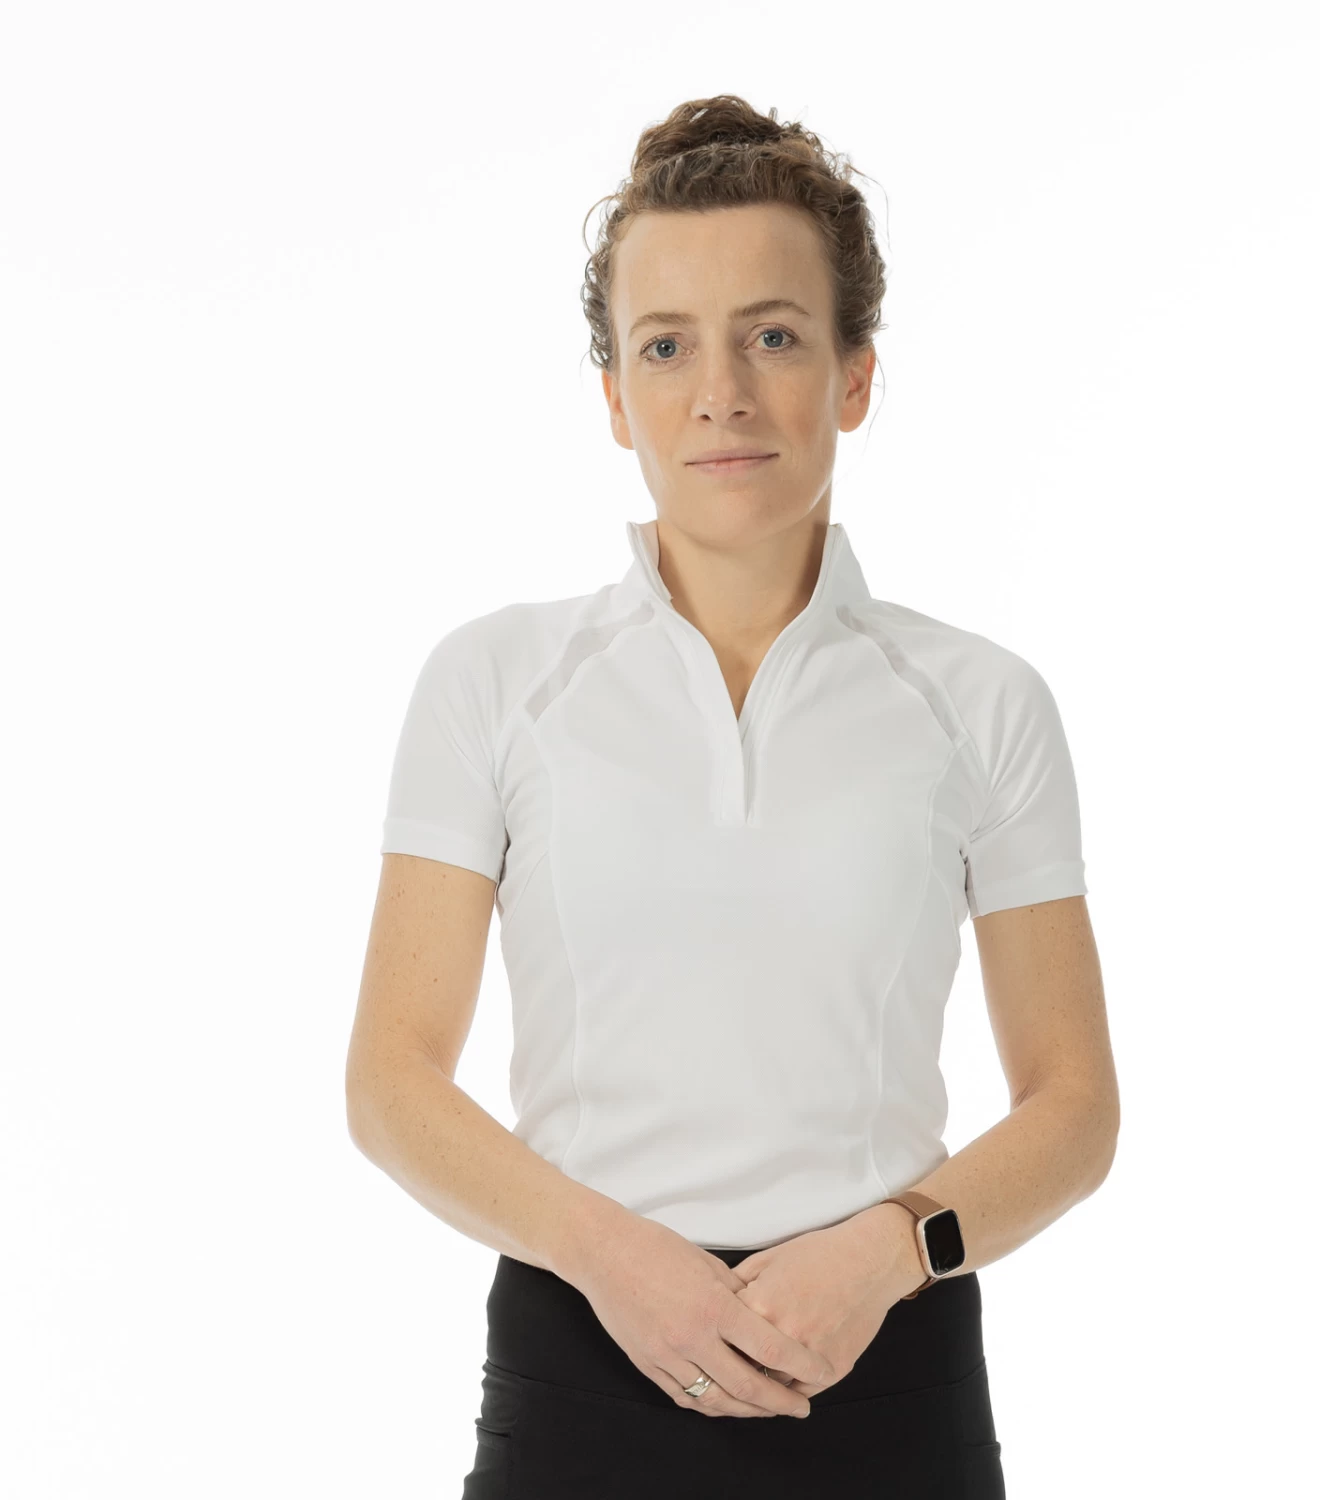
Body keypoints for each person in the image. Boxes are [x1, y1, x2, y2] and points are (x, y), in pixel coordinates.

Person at [346, 93, 1118, 1499]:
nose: (721, 394)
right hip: (579, 1373)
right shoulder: (495, 682)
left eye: (773, 335)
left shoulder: (981, 701)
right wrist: (609, 1256)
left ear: (855, 374)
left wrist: (885, 1253)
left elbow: (1073, 1108)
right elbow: (392, 1082)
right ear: (613, 397)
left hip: (891, 1375)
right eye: (666, 346)